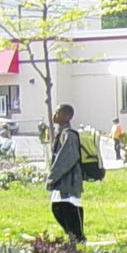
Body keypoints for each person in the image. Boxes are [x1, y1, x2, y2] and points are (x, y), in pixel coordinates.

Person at [46, 104, 85, 242]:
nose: (54, 115)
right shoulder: (62, 133)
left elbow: (67, 158)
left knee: (68, 209)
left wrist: (52, 176)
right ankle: (74, 238)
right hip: (64, 182)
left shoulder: (68, 135)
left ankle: (78, 238)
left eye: (57, 112)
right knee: (59, 208)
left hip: (69, 181)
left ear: (67, 116)